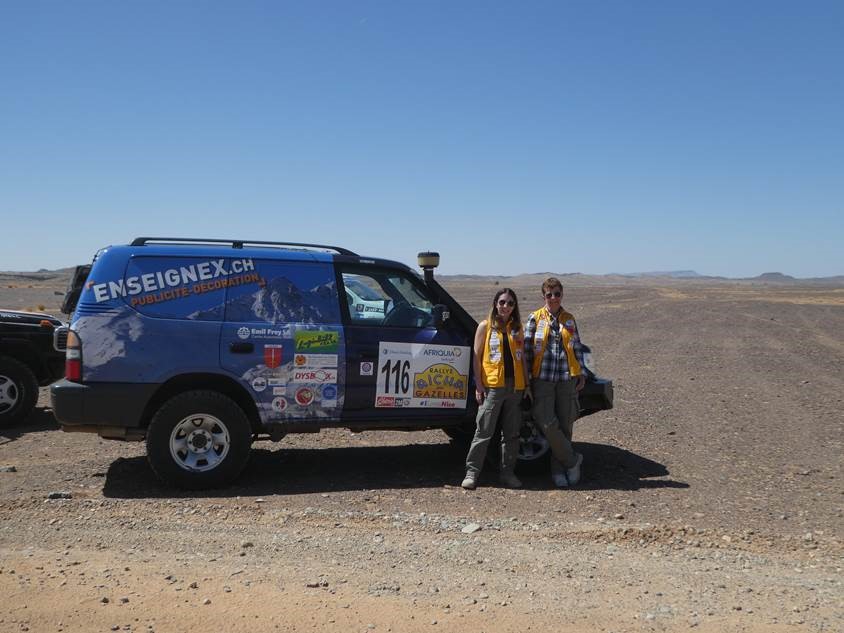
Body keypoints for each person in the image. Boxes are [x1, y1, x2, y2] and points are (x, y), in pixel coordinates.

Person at [461, 288, 531, 490]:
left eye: (510, 303)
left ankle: (507, 474)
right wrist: (479, 385)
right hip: (493, 386)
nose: (505, 306)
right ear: (495, 303)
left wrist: (526, 385)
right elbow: (476, 356)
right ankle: (472, 473)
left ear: (514, 306)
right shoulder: (485, 326)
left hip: (515, 387)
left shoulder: (517, 328)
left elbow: (522, 360)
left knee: (511, 434)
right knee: (484, 430)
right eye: (502, 302)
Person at [524, 278, 586, 487]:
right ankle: (572, 460)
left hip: (566, 379)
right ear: (543, 297)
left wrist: (582, 373)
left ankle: (558, 471)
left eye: (557, 294)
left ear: (562, 295)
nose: (553, 298)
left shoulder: (569, 319)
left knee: (565, 423)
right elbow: (526, 352)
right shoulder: (535, 318)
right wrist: (526, 380)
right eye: (549, 295)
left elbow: (577, 347)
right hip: (542, 379)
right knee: (546, 421)